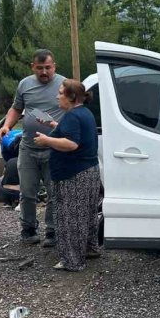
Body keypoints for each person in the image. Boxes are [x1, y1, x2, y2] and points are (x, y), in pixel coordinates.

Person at [0, 49, 65, 247]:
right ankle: (28, 228)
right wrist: (6, 125)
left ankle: (52, 230)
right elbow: (17, 108)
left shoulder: (64, 84)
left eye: (48, 68)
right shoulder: (25, 84)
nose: (44, 72)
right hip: (28, 147)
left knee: (55, 192)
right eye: (40, 68)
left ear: (55, 67)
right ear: (32, 67)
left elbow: (74, 110)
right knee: (27, 191)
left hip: (53, 148)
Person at [34, 80, 100, 271]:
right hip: (88, 172)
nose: (57, 96)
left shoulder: (72, 116)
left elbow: (72, 143)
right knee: (86, 215)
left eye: (61, 93)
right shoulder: (84, 112)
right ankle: (89, 249)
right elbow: (73, 131)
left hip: (73, 175)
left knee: (70, 218)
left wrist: (47, 140)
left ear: (71, 97)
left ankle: (72, 261)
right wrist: (53, 124)